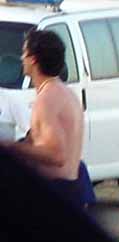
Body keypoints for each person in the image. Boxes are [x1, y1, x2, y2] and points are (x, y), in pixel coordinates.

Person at [5, 30, 84, 209]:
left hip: (57, 191)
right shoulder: (64, 93)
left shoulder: (46, 99)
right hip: (70, 188)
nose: (21, 59)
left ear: (33, 59)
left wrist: (10, 147)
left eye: (24, 53)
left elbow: (56, 155)